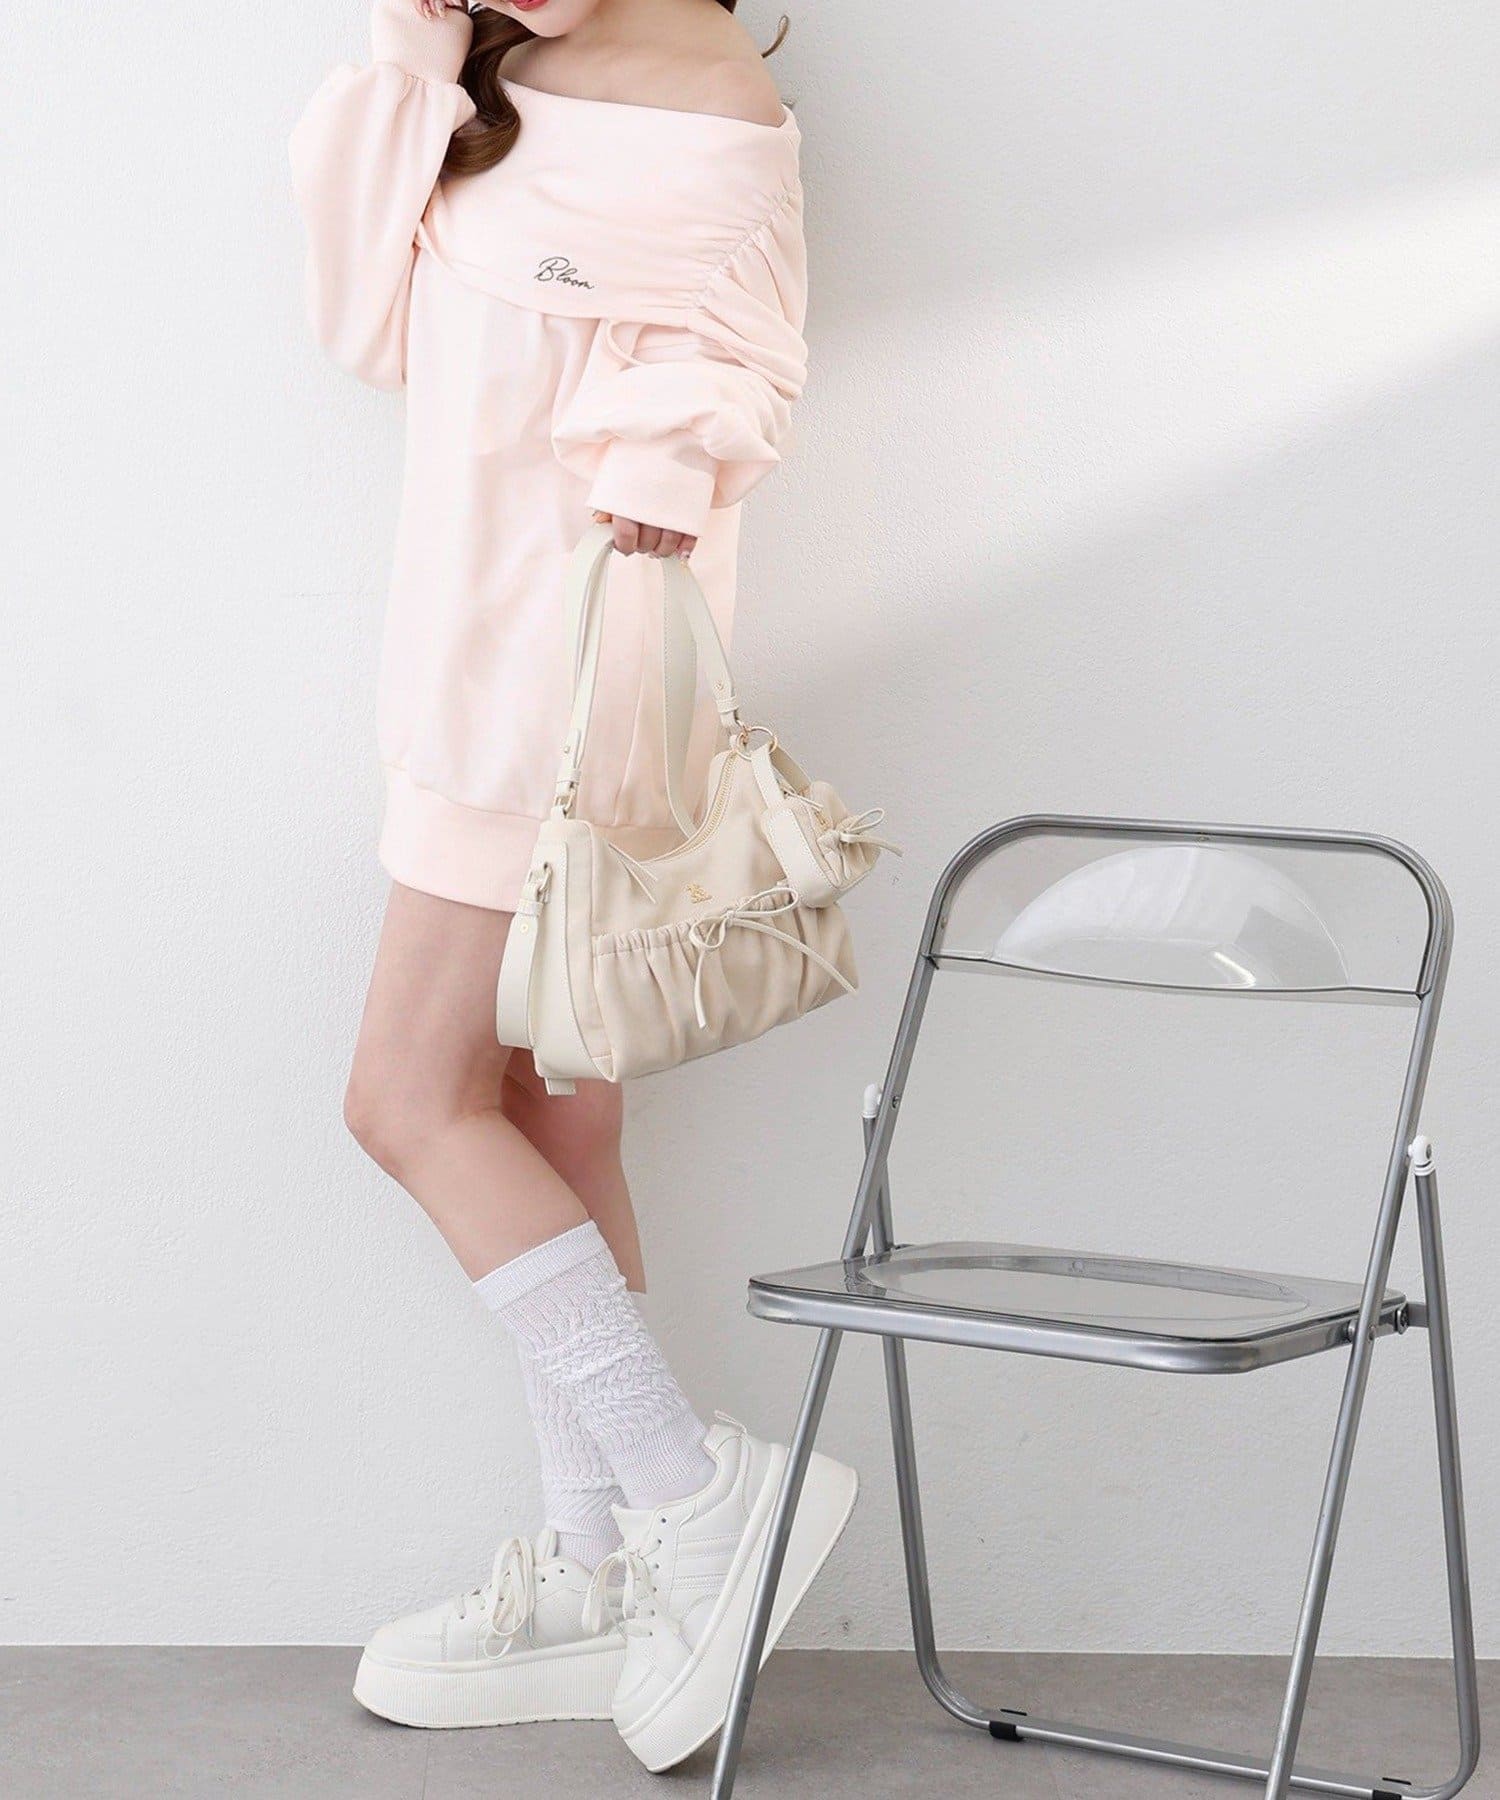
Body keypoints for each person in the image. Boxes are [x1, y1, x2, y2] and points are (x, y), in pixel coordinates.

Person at [289, 0, 856, 1769]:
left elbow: (731, 389)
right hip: (465, 679)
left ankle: (695, 1495)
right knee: (548, 1113)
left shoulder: (708, 107)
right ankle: (602, 1571)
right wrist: (414, 56)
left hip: (544, 711)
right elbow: (362, 323)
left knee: (403, 1100)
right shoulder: (495, 72)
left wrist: (674, 446)